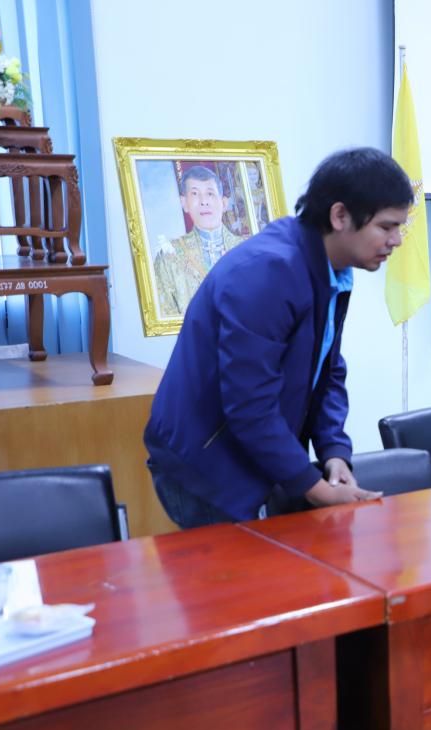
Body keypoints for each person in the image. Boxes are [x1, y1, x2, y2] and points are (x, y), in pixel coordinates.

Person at [144, 148, 413, 528]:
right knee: (245, 566)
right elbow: (248, 402)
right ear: (339, 216)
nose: (397, 240)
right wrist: (313, 488)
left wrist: (334, 451)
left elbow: (326, 368)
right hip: (206, 464)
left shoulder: (331, 266)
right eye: (386, 227)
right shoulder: (269, 272)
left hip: (251, 448)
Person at [153, 166, 247, 317]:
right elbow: (164, 318)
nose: (204, 202)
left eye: (210, 193)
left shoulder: (248, 251)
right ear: (184, 203)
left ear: (224, 203)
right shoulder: (169, 257)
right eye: (195, 194)